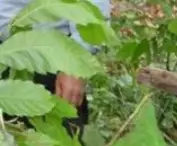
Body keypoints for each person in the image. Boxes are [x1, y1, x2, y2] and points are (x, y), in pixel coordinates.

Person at [0, 0, 111, 134]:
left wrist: (75, 64)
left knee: (55, 138)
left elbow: (94, 9)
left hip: (52, 54)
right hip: (4, 56)